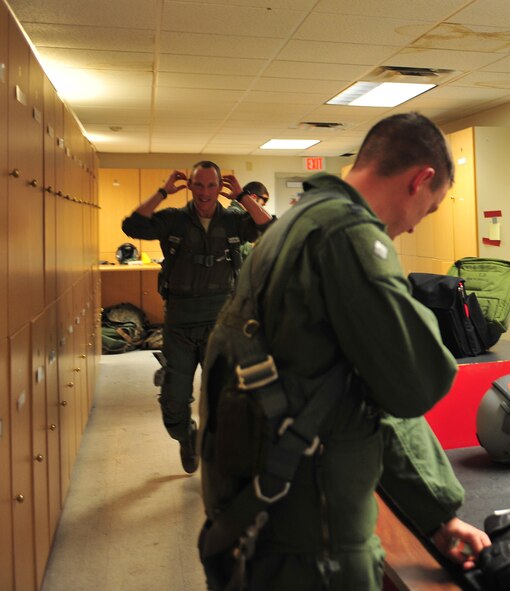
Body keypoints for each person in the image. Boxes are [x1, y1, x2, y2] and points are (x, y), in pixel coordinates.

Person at [197, 113, 490, 590]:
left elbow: (350, 392)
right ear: (422, 180)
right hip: (313, 542)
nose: (416, 228)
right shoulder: (347, 237)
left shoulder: (293, 225)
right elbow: (420, 381)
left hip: (262, 516)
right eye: (429, 210)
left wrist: (437, 515)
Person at [122, 161, 273, 473]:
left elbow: (269, 228)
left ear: (220, 188)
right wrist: (163, 191)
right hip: (180, 323)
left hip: (221, 322)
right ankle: (185, 436)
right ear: (189, 186)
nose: (205, 192)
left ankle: (219, 448)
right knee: (174, 401)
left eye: (211, 185)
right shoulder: (174, 220)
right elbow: (132, 226)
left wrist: (243, 195)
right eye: (199, 185)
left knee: (225, 395)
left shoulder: (234, 220)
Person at [229, 180, 274, 260]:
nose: (264, 205)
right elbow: (235, 246)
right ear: (253, 197)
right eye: (263, 201)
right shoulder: (234, 214)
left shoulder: (245, 217)